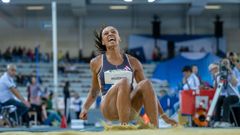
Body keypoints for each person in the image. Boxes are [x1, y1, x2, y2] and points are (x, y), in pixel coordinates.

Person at [80, 26, 177, 127]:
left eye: (113, 32)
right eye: (106, 33)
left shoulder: (134, 62)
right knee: (124, 82)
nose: (110, 34)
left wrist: (165, 116)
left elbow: (149, 93)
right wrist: (85, 108)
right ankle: (124, 127)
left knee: (146, 83)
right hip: (109, 108)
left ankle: (155, 128)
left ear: (119, 38)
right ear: (103, 42)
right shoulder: (96, 62)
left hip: (129, 108)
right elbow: (94, 91)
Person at [208, 59, 239, 128]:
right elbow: (217, 89)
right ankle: (217, 121)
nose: (224, 65)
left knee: (226, 100)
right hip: (225, 96)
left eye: (226, 63)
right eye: (223, 64)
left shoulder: (231, 73)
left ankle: (226, 121)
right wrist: (216, 77)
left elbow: (235, 83)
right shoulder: (219, 76)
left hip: (234, 96)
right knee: (218, 99)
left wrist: (229, 70)